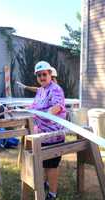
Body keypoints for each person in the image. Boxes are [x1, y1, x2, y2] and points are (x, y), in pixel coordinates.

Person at [29, 61, 66, 200]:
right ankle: (45, 183)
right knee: (44, 163)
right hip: (42, 134)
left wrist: (49, 112)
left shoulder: (55, 89)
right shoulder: (40, 91)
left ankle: (52, 194)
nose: (42, 78)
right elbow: (33, 106)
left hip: (53, 135)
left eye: (44, 74)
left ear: (50, 74)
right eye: (39, 75)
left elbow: (58, 106)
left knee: (52, 166)